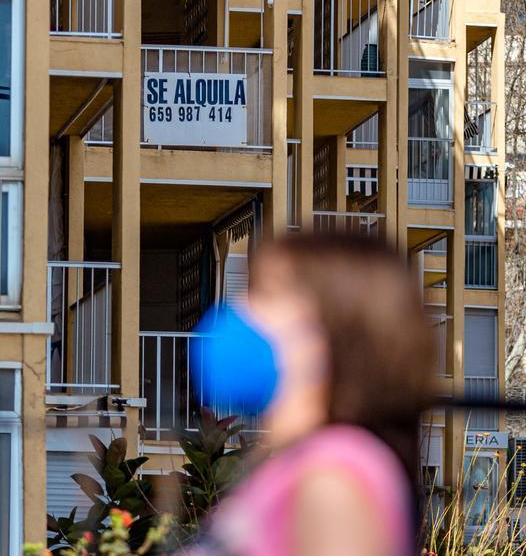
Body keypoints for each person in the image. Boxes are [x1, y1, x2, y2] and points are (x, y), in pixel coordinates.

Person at [184, 234, 436, 556]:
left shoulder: (333, 482)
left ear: (327, 333)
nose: (241, 309)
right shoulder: (304, 467)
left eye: (267, 295)